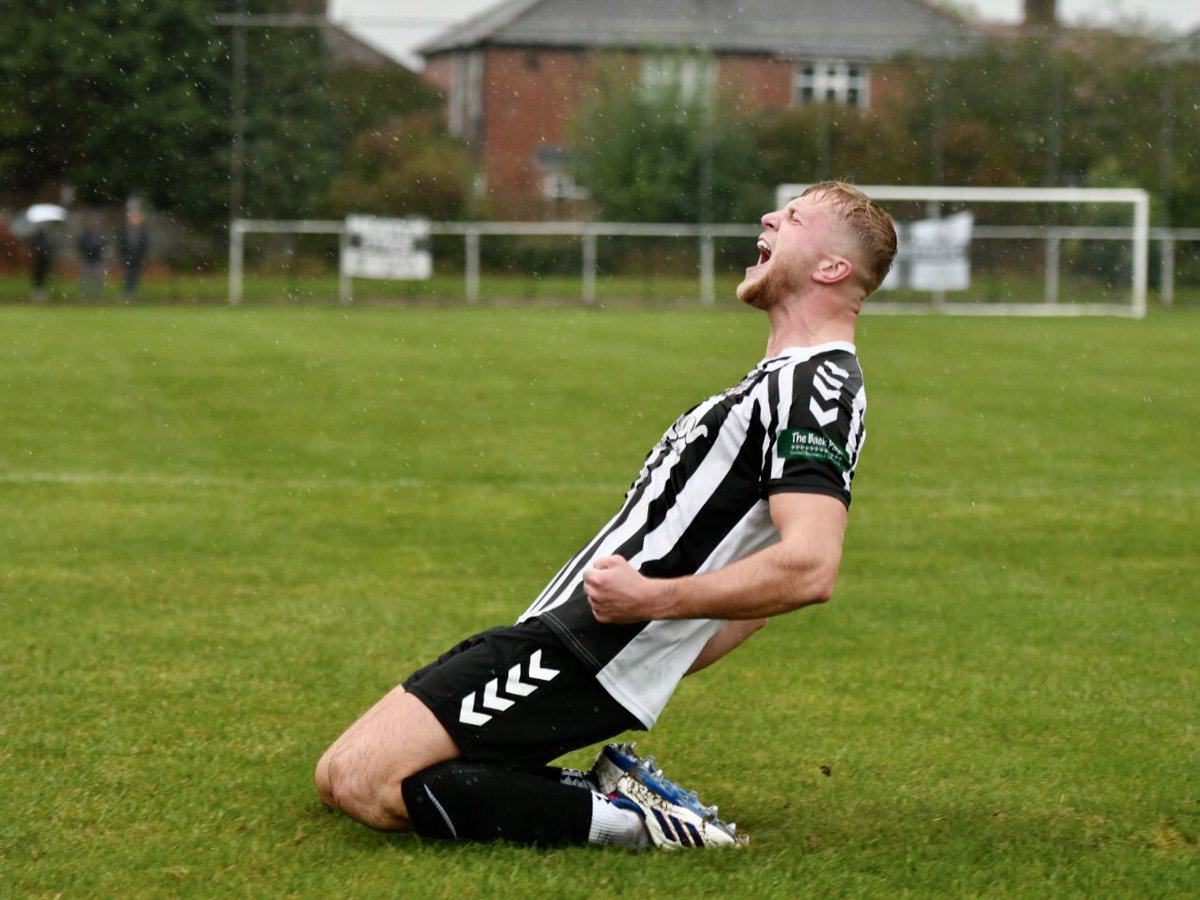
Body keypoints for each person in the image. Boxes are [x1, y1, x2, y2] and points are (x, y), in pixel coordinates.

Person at [315, 181, 898, 850]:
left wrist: (650, 609)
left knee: (367, 781)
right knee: (338, 776)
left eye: (793, 218)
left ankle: (633, 821)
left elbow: (810, 566)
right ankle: (606, 792)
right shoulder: (778, 380)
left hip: (588, 645)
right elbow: (755, 600)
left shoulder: (815, 388)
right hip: (571, 634)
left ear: (832, 268)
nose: (769, 216)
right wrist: (662, 656)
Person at [118, 210, 149, 300]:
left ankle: (133, 292)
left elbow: (144, 245)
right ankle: (126, 292)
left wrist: (142, 255)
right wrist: (124, 254)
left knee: (135, 275)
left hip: (137, 258)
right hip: (127, 257)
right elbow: (121, 244)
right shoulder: (125, 231)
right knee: (127, 274)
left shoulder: (142, 232)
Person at [77, 217, 107, 301]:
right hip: (86, 259)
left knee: (99, 278)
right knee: (84, 278)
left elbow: (104, 247)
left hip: (98, 260)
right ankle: (84, 295)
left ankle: (99, 295)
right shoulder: (84, 235)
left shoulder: (101, 236)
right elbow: (80, 246)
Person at [30, 225, 54, 301]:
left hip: (41, 262)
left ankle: (39, 292)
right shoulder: (40, 239)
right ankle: (38, 293)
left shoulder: (39, 239)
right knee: (38, 278)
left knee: (40, 278)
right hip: (39, 262)